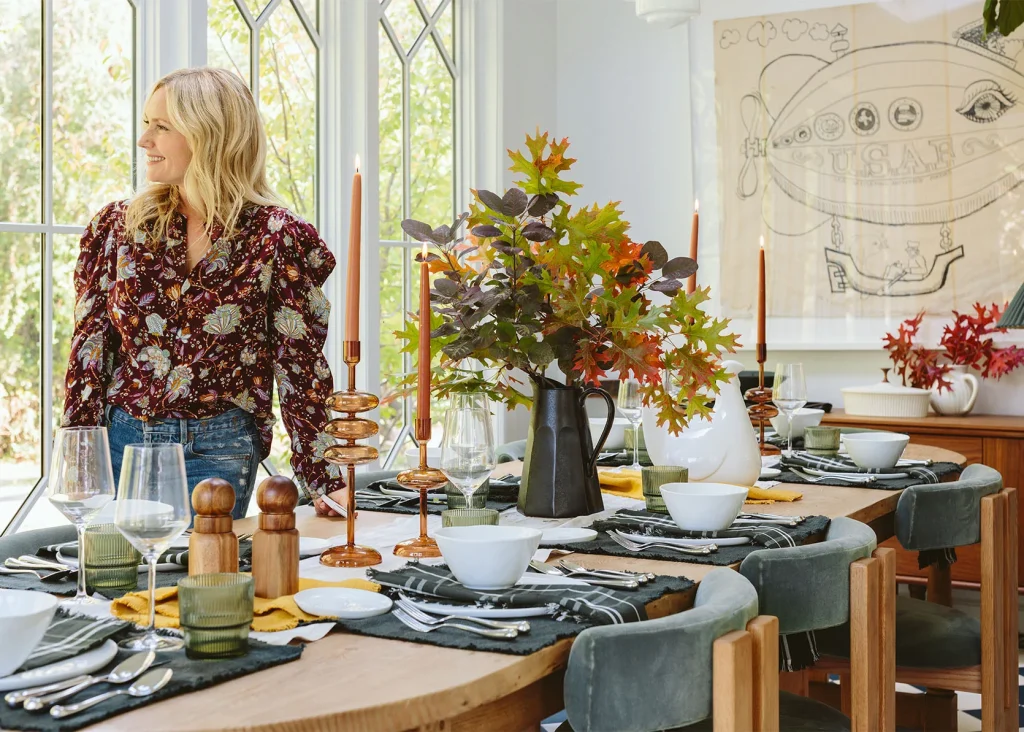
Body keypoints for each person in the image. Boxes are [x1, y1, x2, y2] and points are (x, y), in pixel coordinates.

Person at [63, 67, 345, 518]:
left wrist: (323, 474)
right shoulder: (118, 226)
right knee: (122, 580)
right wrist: (78, 457)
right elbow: (90, 347)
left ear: (209, 135)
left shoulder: (276, 236)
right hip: (122, 441)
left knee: (203, 580)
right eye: (145, 124)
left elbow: (299, 362)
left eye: (162, 126)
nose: (145, 140)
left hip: (220, 446)